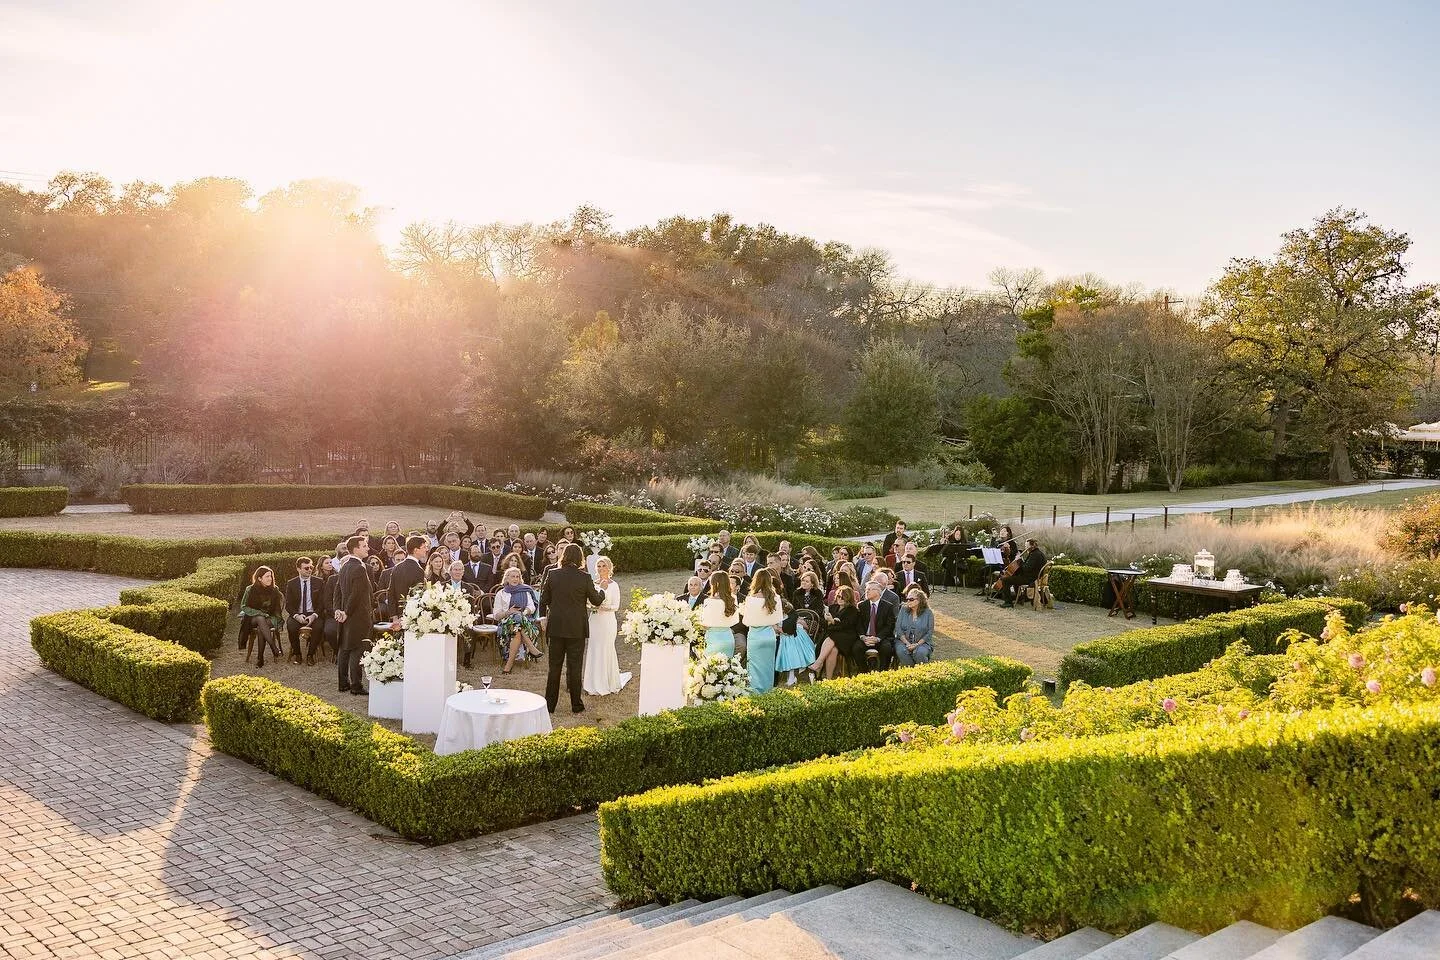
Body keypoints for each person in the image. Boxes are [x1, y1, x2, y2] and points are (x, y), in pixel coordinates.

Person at [540, 543, 607, 714]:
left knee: (554, 668)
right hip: (576, 628)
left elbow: (544, 598)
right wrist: (603, 590)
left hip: (556, 626)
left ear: (564, 557)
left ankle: (549, 705)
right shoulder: (584, 577)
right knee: (575, 667)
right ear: (580, 559)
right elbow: (596, 600)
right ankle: (576, 705)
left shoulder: (553, 574)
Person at [582, 556, 630, 695]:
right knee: (594, 648)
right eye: (599, 566)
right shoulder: (592, 583)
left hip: (607, 621)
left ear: (609, 568)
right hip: (595, 621)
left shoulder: (614, 585)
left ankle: (607, 682)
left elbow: (616, 606)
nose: (601, 568)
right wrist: (592, 605)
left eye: (603, 566)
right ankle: (592, 683)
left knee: (606, 648)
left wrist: (602, 607)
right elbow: (587, 602)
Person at [332, 535, 373, 695]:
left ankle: (343, 684)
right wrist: (346, 612)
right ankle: (356, 686)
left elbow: (337, 592)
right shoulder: (359, 567)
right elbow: (355, 595)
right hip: (356, 615)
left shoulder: (345, 566)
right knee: (357, 649)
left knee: (344, 648)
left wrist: (338, 610)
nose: (367, 548)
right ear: (356, 549)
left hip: (345, 613)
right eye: (364, 546)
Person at [740, 568, 784, 694]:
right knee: (767, 667)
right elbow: (778, 619)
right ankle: (767, 692)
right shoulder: (775, 598)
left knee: (754, 667)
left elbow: (746, 622)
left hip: (755, 635)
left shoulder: (751, 598)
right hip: (769, 636)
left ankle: (755, 692)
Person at [492, 566, 542, 673]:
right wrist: (508, 612)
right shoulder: (501, 593)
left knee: (518, 621)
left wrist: (522, 613)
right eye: (512, 576)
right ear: (507, 579)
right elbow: (496, 615)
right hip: (506, 624)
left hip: (524, 621)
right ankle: (531, 646)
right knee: (516, 625)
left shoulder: (526, 591)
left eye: (517, 577)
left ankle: (508, 665)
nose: (515, 579)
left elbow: (532, 608)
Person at [239, 566, 284, 667]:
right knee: (260, 618)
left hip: (271, 617)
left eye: (271, 576)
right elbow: (243, 606)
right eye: (267, 576)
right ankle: (273, 647)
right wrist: (260, 613)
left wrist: (273, 617)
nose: (270, 578)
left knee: (261, 629)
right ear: (259, 578)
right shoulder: (250, 589)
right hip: (253, 617)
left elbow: (277, 608)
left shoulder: (274, 589)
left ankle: (260, 659)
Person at [814, 584, 860, 680]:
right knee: (833, 650)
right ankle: (829, 679)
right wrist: (828, 621)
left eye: (843, 597)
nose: (840, 599)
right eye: (838, 596)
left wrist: (832, 622)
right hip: (832, 635)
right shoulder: (832, 607)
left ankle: (819, 662)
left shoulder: (853, 610)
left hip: (846, 637)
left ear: (849, 598)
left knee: (831, 636)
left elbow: (846, 625)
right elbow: (824, 624)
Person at [284, 557, 322, 665]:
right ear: (298, 569)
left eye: (311, 567)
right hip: (298, 613)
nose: (310, 570)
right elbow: (288, 605)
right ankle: (297, 654)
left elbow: (321, 603)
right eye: (306, 568)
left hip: (312, 613)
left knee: (318, 627)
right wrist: (296, 616)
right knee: (291, 627)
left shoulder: (318, 582)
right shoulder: (292, 583)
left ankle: (310, 654)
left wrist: (314, 615)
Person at [855, 580, 897, 672]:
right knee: (856, 648)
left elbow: (889, 626)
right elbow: (858, 624)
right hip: (865, 637)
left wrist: (878, 638)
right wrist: (863, 637)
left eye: (870, 589)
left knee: (887, 648)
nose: (867, 591)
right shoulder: (862, 606)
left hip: (881, 637)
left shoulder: (888, 606)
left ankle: (882, 673)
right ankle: (864, 673)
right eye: (866, 589)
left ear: (878, 591)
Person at [386, 535, 428, 624]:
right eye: (424, 547)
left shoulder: (397, 567)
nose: (426, 549)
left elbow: (390, 593)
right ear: (416, 550)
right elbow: (417, 596)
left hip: (398, 616)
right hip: (411, 617)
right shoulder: (418, 570)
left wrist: (394, 617)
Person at [700, 571, 740, 658]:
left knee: (711, 668)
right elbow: (736, 620)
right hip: (728, 638)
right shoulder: (733, 598)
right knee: (726, 669)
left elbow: (704, 624)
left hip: (714, 639)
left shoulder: (708, 601)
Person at [998, 538, 1048, 608]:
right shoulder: (1037, 553)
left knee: (1005, 580)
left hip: (1031, 579)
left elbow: (1026, 568)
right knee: (1015, 575)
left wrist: (1019, 560)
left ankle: (1008, 602)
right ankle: (1019, 598)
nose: (1025, 548)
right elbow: (1028, 566)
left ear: (1032, 546)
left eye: (1026, 546)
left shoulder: (1035, 555)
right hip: (1033, 577)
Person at [894, 588, 935, 666]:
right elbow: (898, 628)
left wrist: (917, 645)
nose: (908, 601)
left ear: (919, 600)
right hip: (903, 641)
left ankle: (921, 673)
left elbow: (929, 633)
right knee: (902, 651)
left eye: (911, 599)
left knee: (920, 653)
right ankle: (911, 673)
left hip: (922, 642)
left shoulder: (928, 613)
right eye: (907, 599)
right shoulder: (903, 609)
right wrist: (907, 643)